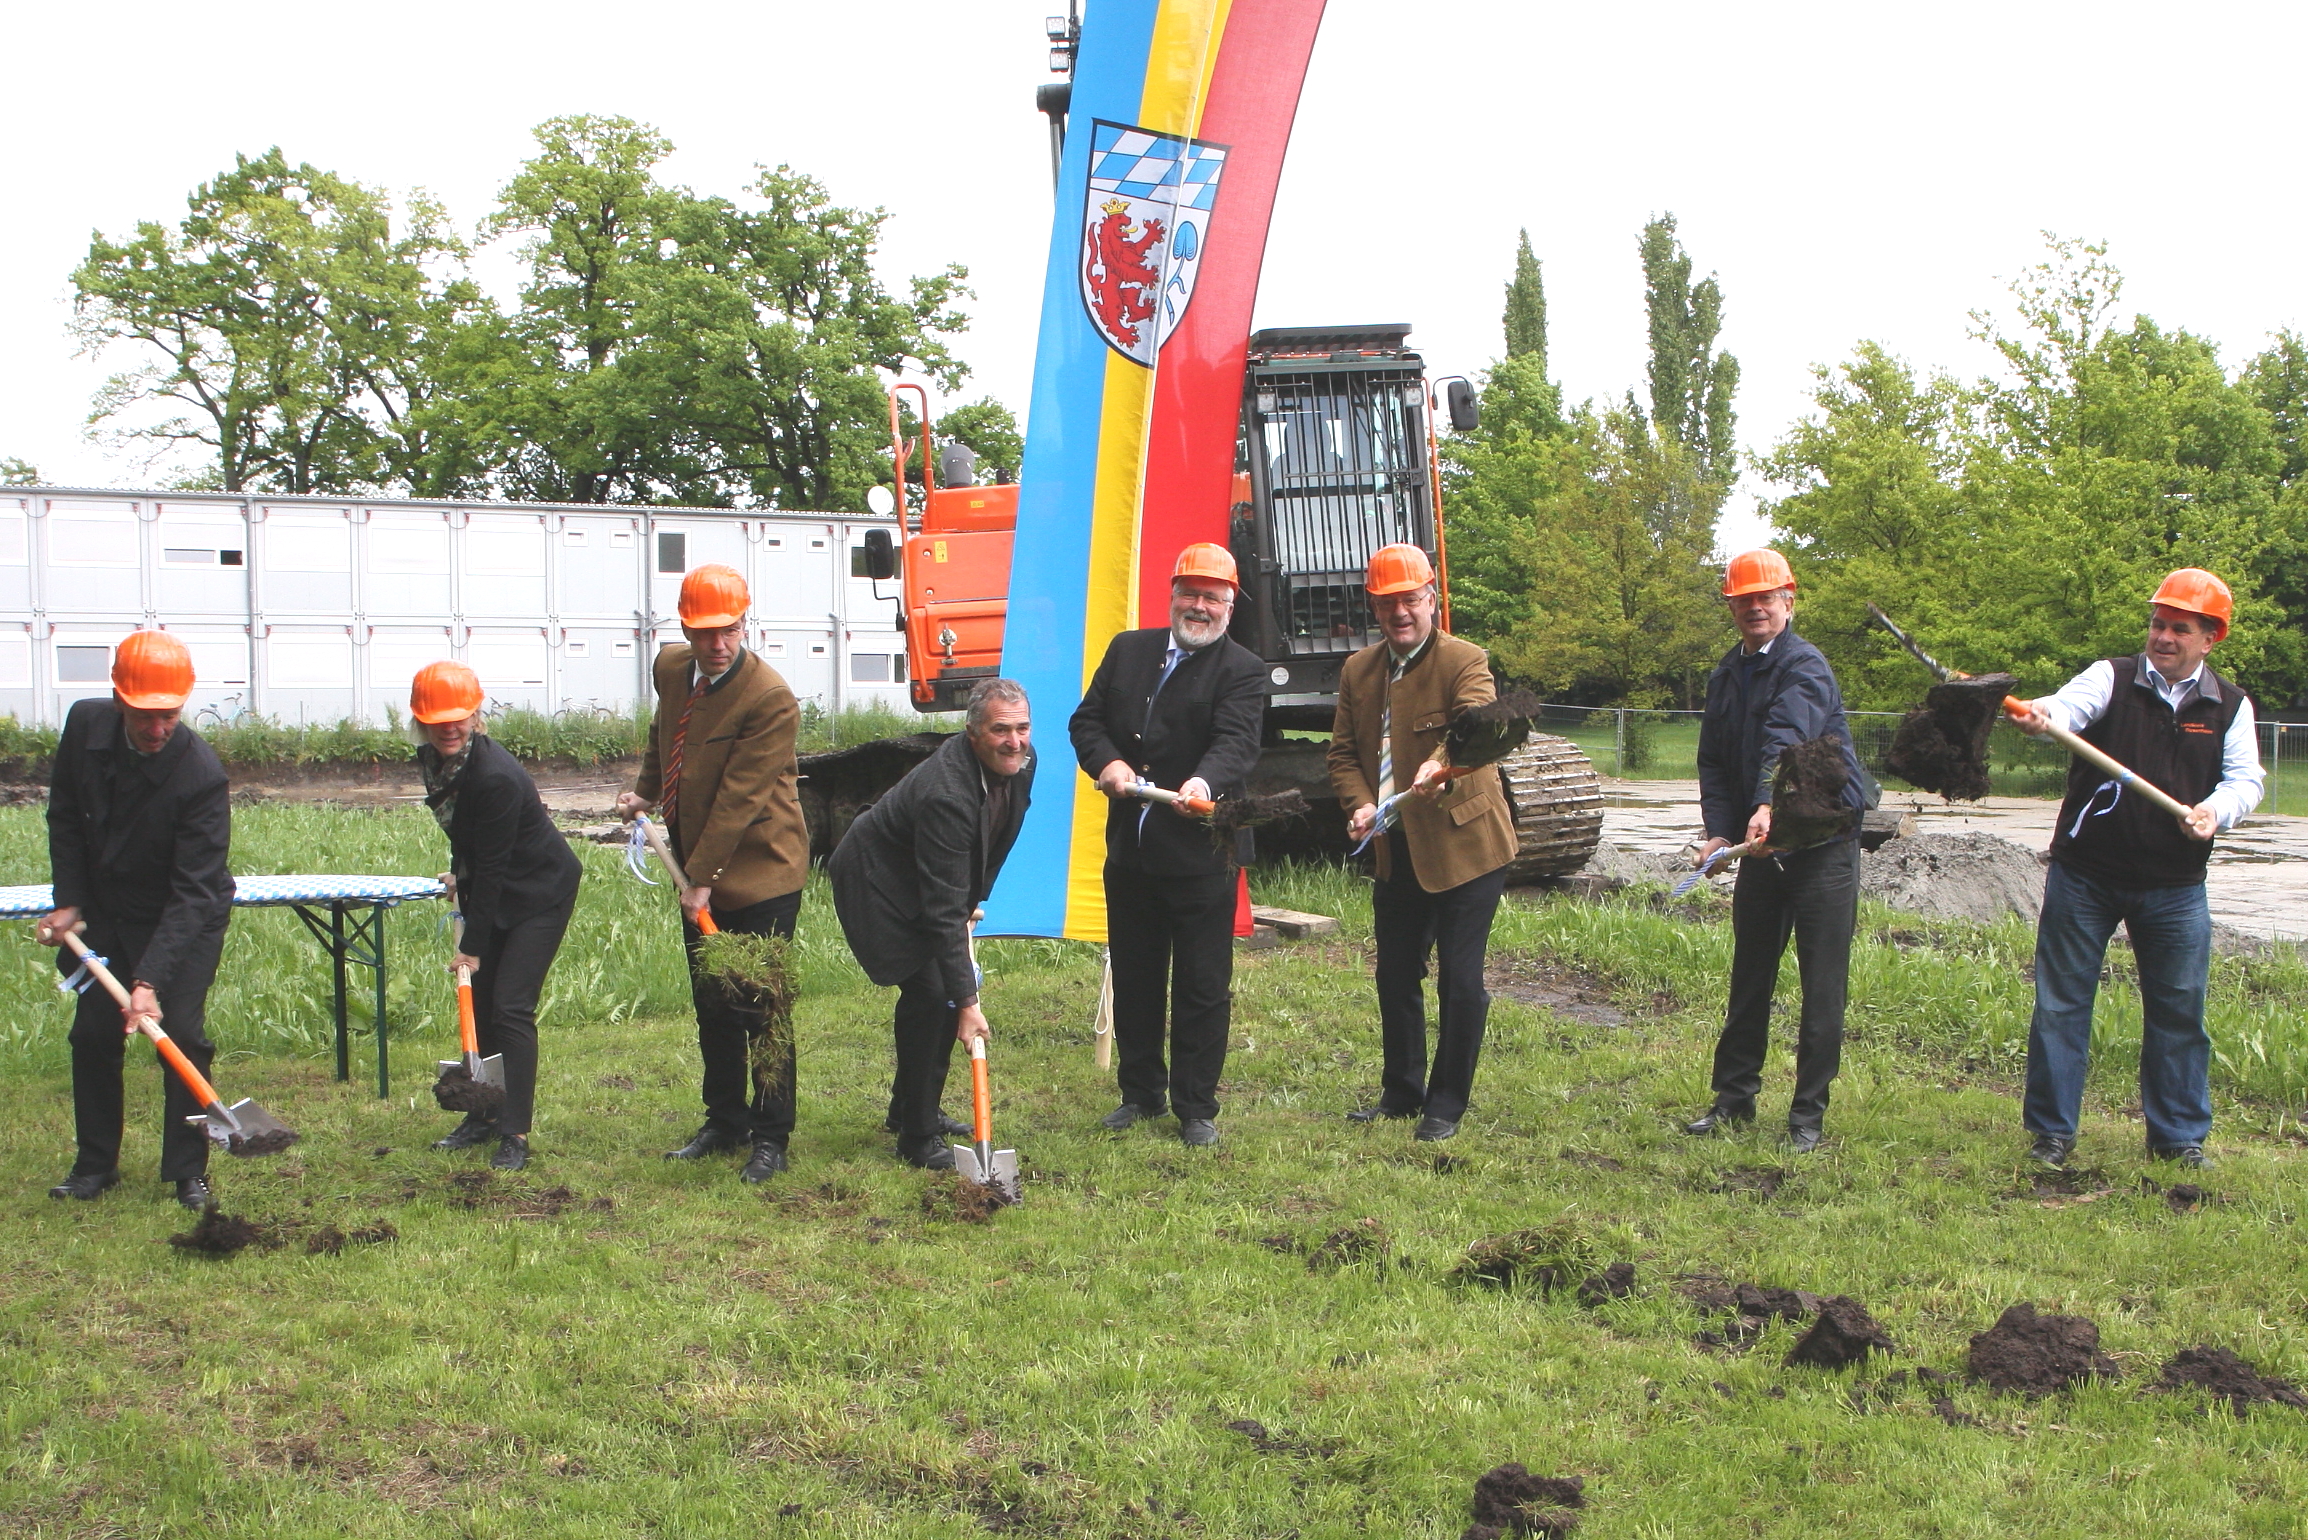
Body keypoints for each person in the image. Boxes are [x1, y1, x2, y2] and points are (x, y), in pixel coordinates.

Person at [2008, 568, 2263, 1171]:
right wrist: (2043, 715)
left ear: (2210, 638)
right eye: (2158, 623)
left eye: (2179, 628)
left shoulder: (2230, 705)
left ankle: (2177, 1139)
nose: (2163, 636)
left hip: (2175, 886)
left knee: (2179, 1011)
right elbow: (2067, 708)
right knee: (2061, 1003)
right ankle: (2051, 1134)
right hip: (2086, 873)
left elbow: (2246, 780)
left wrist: (2214, 810)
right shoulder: (2112, 677)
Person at [616, 564, 810, 1183]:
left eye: (728, 630)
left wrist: (701, 878)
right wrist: (646, 793)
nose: (717, 645)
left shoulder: (770, 698)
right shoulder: (673, 669)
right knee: (712, 1001)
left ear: (744, 623)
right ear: (684, 627)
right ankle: (724, 1120)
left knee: (763, 1004)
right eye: (705, 633)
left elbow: (739, 797)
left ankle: (771, 1134)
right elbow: (663, 735)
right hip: (698, 866)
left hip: (761, 872)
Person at [1071, 543, 1267, 1147]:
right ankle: (1140, 1093)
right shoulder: (1128, 650)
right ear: (1173, 595)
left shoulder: (1243, 670)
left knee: (1202, 984)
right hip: (1130, 854)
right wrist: (1108, 763)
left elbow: (1236, 744)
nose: (1200, 606)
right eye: (1191, 593)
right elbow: (1087, 722)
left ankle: (1196, 1106)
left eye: (1213, 597)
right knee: (1135, 974)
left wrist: (1203, 782)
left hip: (1202, 852)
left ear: (1230, 607)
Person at [1328, 544, 1519, 1143]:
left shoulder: (1466, 660)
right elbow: (1340, 754)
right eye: (1388, 604)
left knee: (1460, 981)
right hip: (1397, 848)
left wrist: (1438, 764)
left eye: (1410, 600)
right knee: (1395, 975)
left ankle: (1446, 1105)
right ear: (1374, 608)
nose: (1400, 613)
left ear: (1431, 597)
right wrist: (1361, 803)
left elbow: (1473, 727)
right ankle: (1402, 1093)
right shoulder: (1358, 671)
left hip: (1467, 847)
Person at [40, 630, 234, 1209]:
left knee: (181, 1033)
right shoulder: (84, 726)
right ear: (119, 698)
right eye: (145, 715)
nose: (157, 728)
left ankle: (186, 1170)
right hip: (104, 908)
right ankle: (94, 1165)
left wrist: (148, 983)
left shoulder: (201, 775)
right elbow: (66, 817)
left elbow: (193, 892)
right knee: (94, 1032)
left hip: (182, 914)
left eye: (169, 715)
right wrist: (70, 899)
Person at [1686, 549, 1867, 1154]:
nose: (1756, 607)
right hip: (1763, 851)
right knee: (1750, 976)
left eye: (1767, 597)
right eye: (1745, 599)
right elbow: (1712, 759)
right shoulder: (1725, 673)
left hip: (1821, 846)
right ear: (1732, 606)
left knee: (1821, 985)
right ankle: (1733, 1100)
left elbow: (1785, 741)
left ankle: (1807, 1116)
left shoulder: (1804, 666)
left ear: (1789, 601)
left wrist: (1767, 804)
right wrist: (1719, 829)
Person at [829, 678, 1035, 1168]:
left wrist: (973, 899)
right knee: (933, 993)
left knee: (938, 987)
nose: (1015, 741)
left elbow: (996, 839)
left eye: (1023, 727)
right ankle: (917, 1137)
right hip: (877, 880)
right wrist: (967, 1003)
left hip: (926, 879)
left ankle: (909, 1109)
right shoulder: (947, 792)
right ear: (971, 733)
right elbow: (941, 912)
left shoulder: (1021, 763)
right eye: (1000, 729)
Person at [412, 662, 583, 1172]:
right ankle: (482, 1115)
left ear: (475, 714)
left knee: (509, 1009)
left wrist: (472, 947)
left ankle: (515, 1132)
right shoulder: (438, 761)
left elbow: (491, 866)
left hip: (539, 894)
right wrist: (454, 875)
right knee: (482, 1007)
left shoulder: (494, 775)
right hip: (498, 885)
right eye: (439, 718)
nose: (450, 726)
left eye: (460, 716)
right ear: (421, 719)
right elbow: (471, 840)